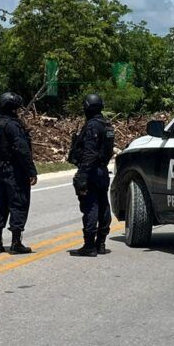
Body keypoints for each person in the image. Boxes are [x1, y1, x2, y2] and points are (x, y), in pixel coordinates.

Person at [0, 91, 38, 254]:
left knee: (0, 204)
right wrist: (31, 171)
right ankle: (16, 242)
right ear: (13, 108)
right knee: (18, 203)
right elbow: (22, 150)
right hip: (14, 171)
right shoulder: (12, 125)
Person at [69, 93, 115, 257]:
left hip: (92, 171)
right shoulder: (107, 125)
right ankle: (100, 243)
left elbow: (89, 153)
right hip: (102, 171)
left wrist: (82, 176)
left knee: (91, 207)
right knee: (103, 205)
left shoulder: (92, 127)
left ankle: (89, 245)